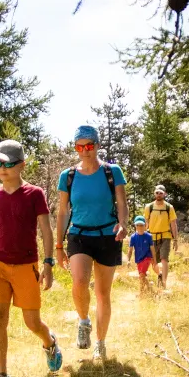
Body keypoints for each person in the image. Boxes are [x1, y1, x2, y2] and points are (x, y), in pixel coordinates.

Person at [0, 139, 62, 377]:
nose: (1, 168)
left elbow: (46, 231)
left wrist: (48, 264)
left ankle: (49, 342)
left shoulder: (34, 194)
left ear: (22, 165)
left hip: (27, 266)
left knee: (31, 322)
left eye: (7, 164)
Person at [55, 125, 128, 362]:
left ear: (97, 145)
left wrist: (124, 224)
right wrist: (58, 246)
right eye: (80, 146)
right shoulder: (68, 176)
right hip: (79, 235)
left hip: (108, 235)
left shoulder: (112, 171)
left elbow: (121, 203)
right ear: (75, 148)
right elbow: (63, 211)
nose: (85, 151)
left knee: (102, 293)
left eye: (89, 145)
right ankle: (83, 321)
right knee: (79, 281)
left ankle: (100, 342)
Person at [144, 184, 178, 290]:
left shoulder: (169, 207)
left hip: (165, 236)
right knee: (153, 261)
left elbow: (173, 224)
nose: (159, 195)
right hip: (152, 237)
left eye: (161, 193)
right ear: (154, 193)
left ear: (165, 194)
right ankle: (159, 274)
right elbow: (145, 224)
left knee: (164, 259)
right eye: (157, 193)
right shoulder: (148, 207)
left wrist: (176, 239)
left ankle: (164, 283)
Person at [127, 215, 155, 296]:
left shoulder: (149, 236)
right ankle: (150, 288)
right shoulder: (133, 237)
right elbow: (130, 250)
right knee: (141, 276)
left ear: (145, 225)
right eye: (137, 225)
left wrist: (154, 260)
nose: (139, 227)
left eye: (141, 225)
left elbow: (152, 249)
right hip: (138, 259)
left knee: (142, 275)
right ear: (135, 225)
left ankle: (141, 293)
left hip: (147, 258)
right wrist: (128, 260)